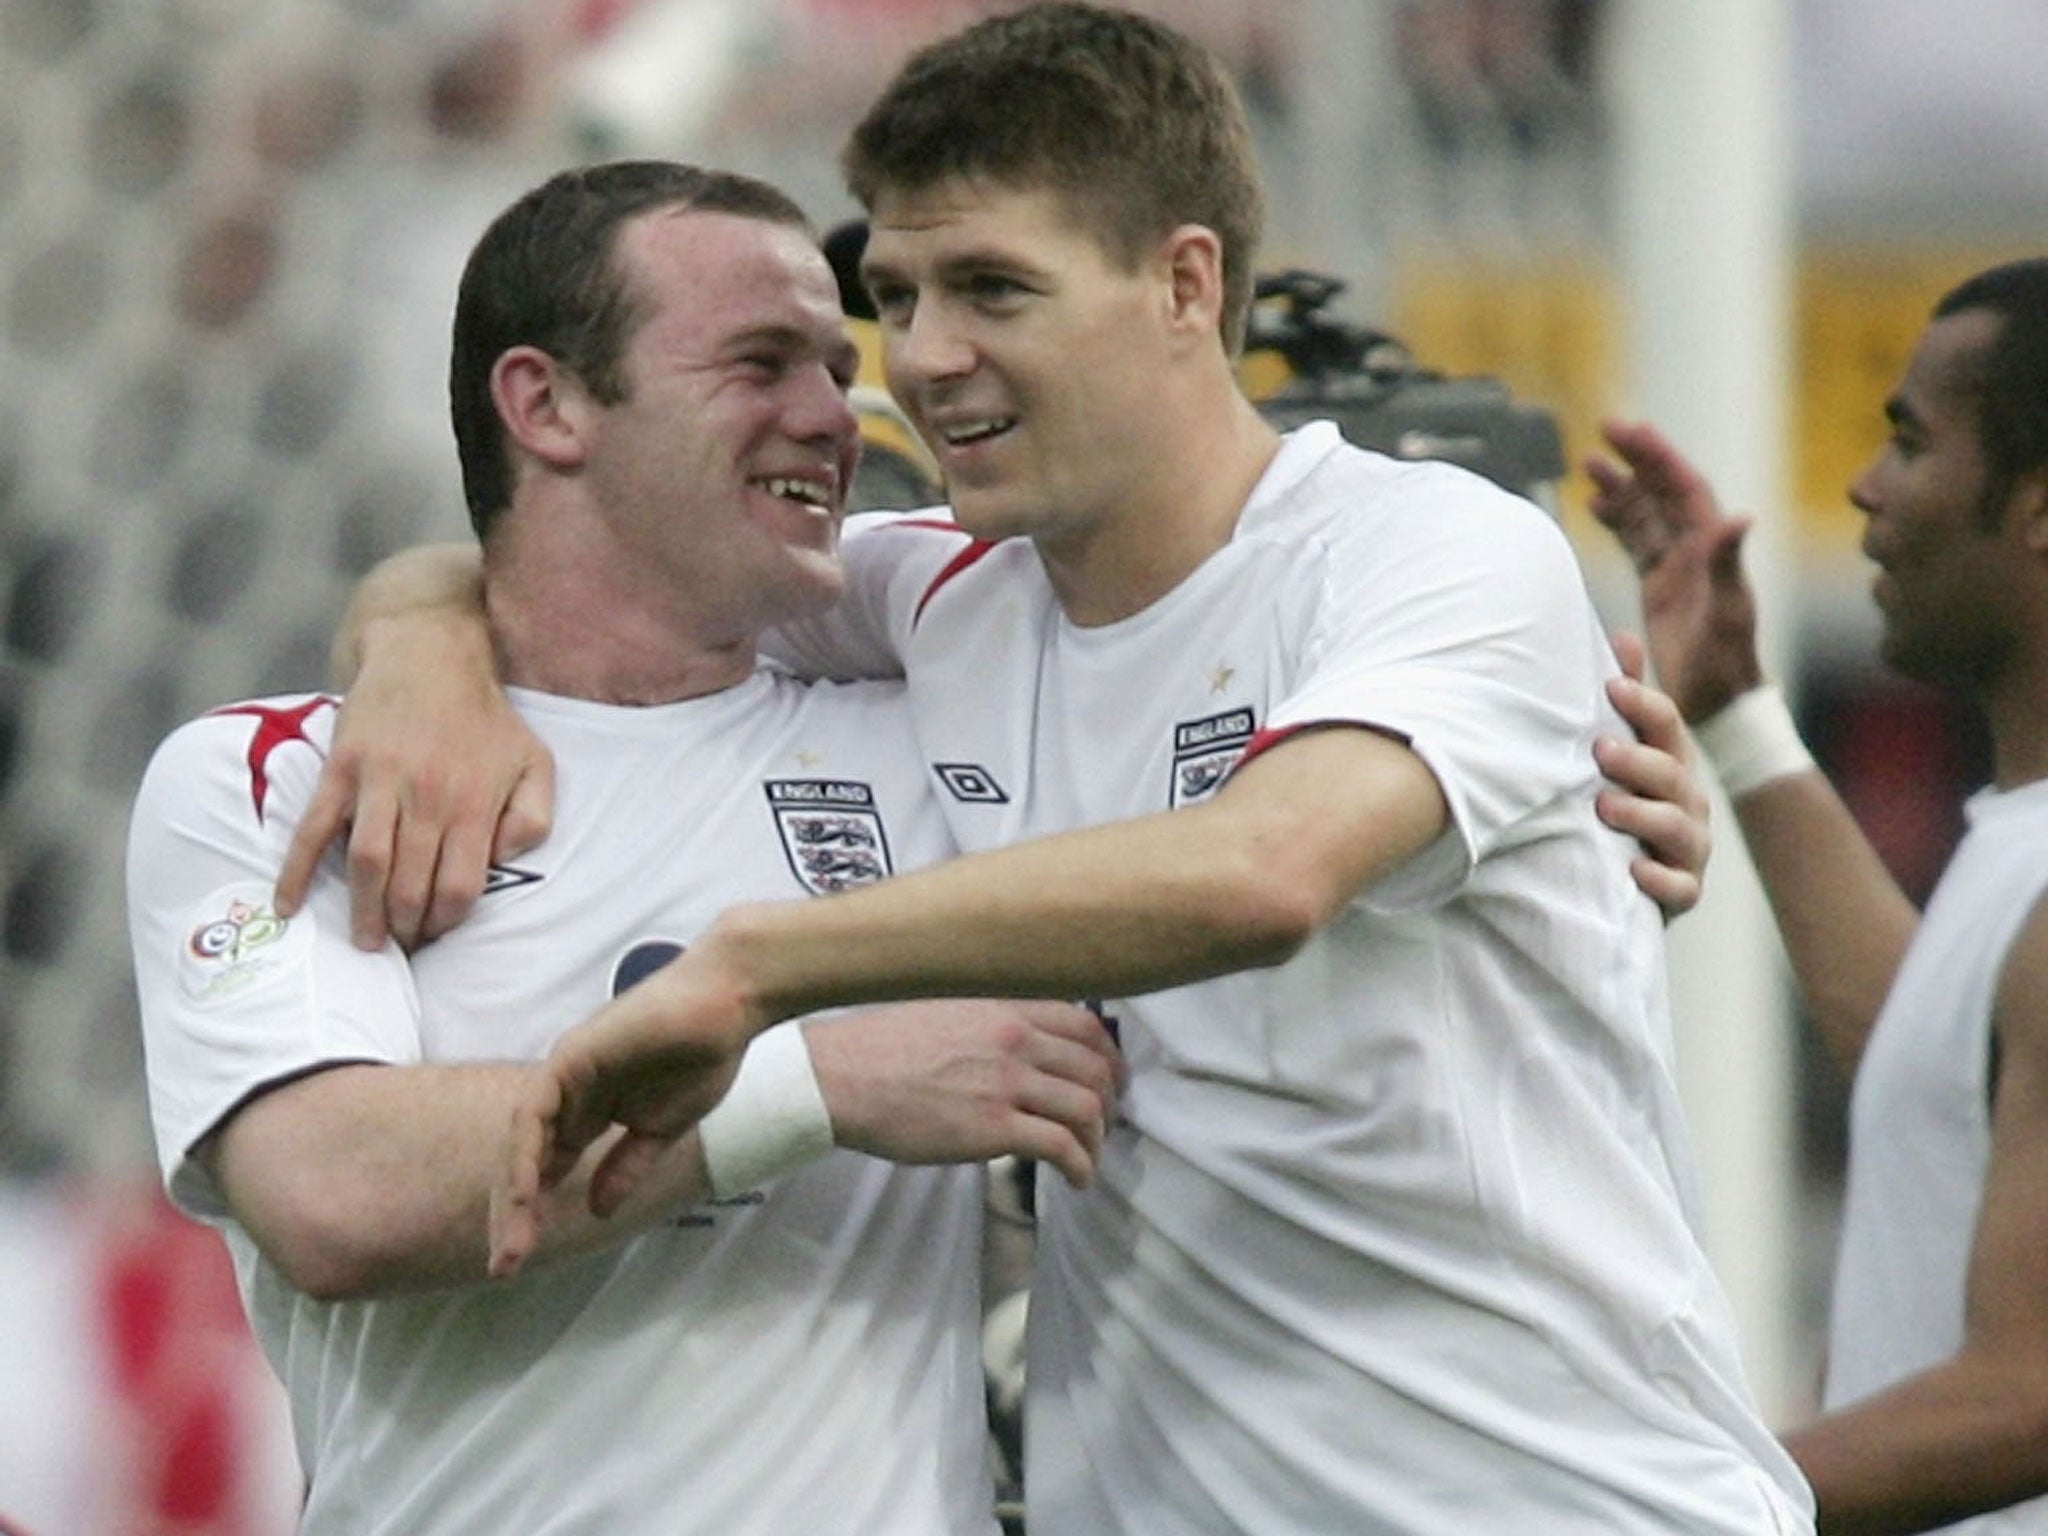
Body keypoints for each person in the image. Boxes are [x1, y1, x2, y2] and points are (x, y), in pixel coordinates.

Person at [292, 7, 1804, 1533]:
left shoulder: (1428, 554)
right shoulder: (948, 601)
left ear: (1185, 282)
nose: (926, 358)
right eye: (899, 295)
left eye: (993, 288)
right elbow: (604, 563)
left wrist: (757, 974)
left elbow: (1265, 870)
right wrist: (422, 648)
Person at [123, 160, 1123, 1536]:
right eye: (763, 361)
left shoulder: (943, 715)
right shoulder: (280, 778)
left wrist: (420, 611)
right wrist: (815, 1084)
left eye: (841, 366)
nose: (838, 416)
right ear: (544, 405)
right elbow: (333, 1195)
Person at [1588, 256, 2048, 1535]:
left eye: (1908, 442)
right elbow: (1934, 1065)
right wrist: (1733, 711)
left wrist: (1674, 1511)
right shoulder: (2022, 847)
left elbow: (2034, 1388)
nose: (1863, 485)